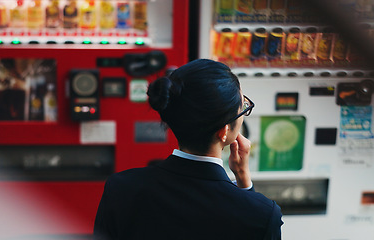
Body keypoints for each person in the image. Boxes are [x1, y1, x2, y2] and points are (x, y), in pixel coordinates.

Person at [93, 59, 283, 240]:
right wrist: (244, 182)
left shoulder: (120, 188)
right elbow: (250, 218)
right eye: (243, 108)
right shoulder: (263, 214)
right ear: (224, 131)